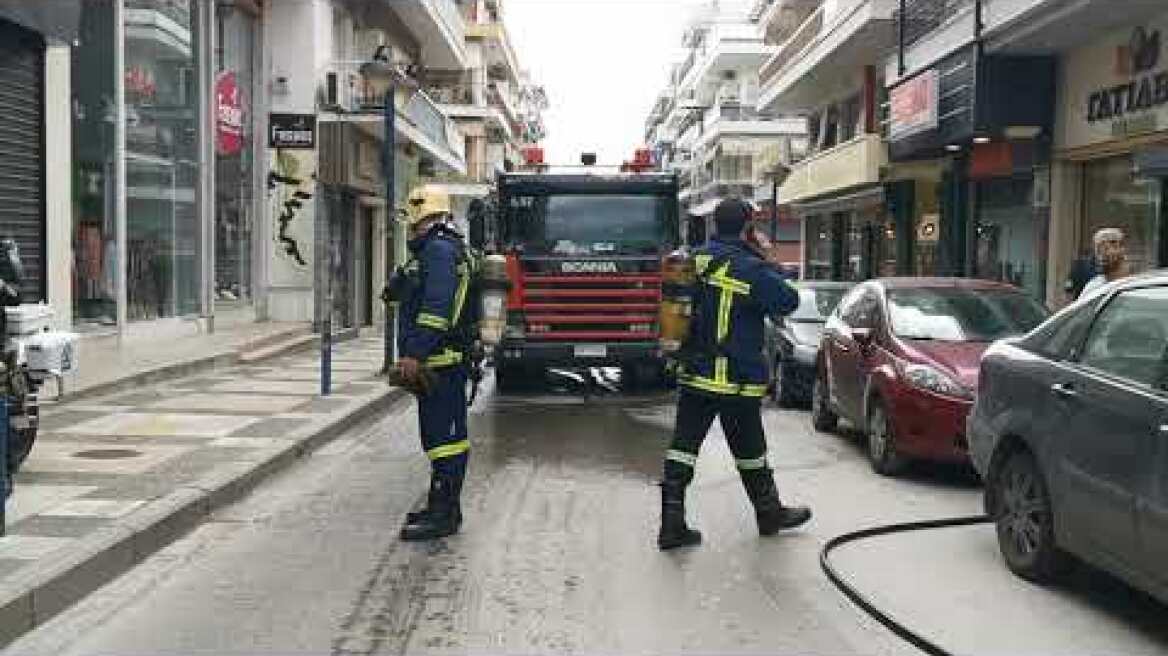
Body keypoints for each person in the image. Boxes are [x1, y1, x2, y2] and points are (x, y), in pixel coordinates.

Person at [658, 198, 812, 551]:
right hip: (736, 380)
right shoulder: (750, 267)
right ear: (746, 228)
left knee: (683, 448)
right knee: (750, 450)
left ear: (715, 225)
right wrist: (766, 258)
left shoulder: (691, 261)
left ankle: (671, 524)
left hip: (695, 375)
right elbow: (787, 301)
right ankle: (769, 511)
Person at [393, 185, 473, 541]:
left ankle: (444, 516)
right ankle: (442, 507)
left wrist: (416, 353)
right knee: (440, 438)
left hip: (442, 362)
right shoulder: (442, 248)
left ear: (417, 212)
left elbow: (437, 309)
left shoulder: (438, 251)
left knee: (445, 440)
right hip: (442, 360)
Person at [1079, 228, 1127, 299]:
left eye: (1106, 249)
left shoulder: (1133, 284)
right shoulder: (1093, 287)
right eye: (1098, 251)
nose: (1102, 256)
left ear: (1121, 249)